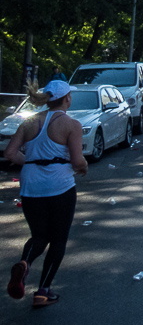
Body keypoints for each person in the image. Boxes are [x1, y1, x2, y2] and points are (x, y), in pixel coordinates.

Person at [4, 80, 88, 307]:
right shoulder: (71, 124)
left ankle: (25, 262)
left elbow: (10, 153)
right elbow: (77, 160)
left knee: (39, 235)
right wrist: (83, 167)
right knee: (58, 239)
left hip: (31, 185)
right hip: (59, 186)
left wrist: (31, 162)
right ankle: (43, 291)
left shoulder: (29, 122)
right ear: (67, 98)